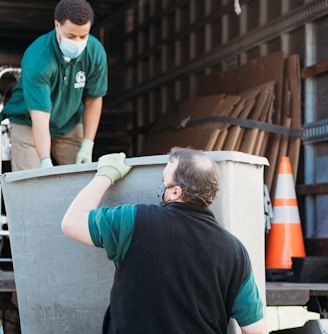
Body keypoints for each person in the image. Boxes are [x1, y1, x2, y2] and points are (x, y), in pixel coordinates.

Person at [61, 147, 269, 334]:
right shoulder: (234, 250)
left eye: (163, 181)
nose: (161, 188)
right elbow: (256, 329)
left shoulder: (133, 221)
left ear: (175, 192)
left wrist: (105, 175)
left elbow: (71, 223)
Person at [2, 0, 108, 171]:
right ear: (57, 25)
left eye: (83, 36)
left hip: (69, 122)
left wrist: (87, 144)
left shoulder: (95, 52)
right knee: (33, 183)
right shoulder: (38, 58)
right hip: (29, 122)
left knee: (81, 179)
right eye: (71, 36)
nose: (77, 42)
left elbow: (93, 99)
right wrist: (45, 160)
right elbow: (41, 117)